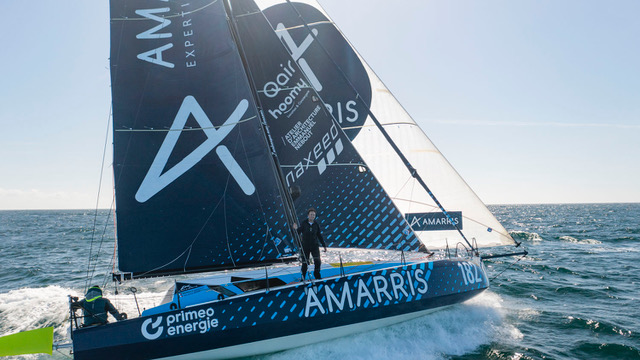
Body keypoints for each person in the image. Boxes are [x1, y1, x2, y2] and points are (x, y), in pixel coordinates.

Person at [293, 208, 327, 280]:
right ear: (308, 215)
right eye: (311, 215)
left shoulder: (316, 224)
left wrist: (324, 245)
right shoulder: (304, 223)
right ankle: (303, 278)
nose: (312, 216)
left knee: (318, 261)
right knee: (305, 263)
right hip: (305, 246)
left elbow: (319, 235)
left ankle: (317, 275)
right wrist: (295, 229)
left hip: (314, 246)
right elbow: (298, 232)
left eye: (314, 215)